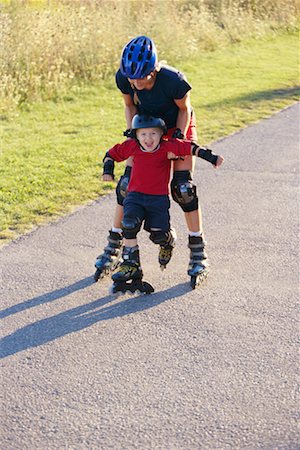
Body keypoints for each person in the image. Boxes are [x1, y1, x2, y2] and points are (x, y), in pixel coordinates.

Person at [94, 35, 211, 281]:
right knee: (127, 186)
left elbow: (184, 109)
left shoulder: (174, 81)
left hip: (176, 126)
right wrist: (133, 137)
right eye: (130, 76)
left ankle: (198, 251)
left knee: (183, 189)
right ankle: (115, 243)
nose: (134, 81)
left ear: (154, 69)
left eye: (141, 76)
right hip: (146, 129)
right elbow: (130, 106)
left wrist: (177, 138)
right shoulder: (125, 78)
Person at [100, 114, 224, 286]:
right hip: (135, 197)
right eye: (143, 134)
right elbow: (110, 154)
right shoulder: (132, 146)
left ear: (161, 135)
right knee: (128, 224)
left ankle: (168, 241)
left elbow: (191, 148)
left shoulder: (167, 147)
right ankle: (130, 264)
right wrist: (108, 170)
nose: (148, 139)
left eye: (153, 134)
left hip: (157, 200)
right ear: (136, 135)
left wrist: (212, 157)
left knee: (158, 235)